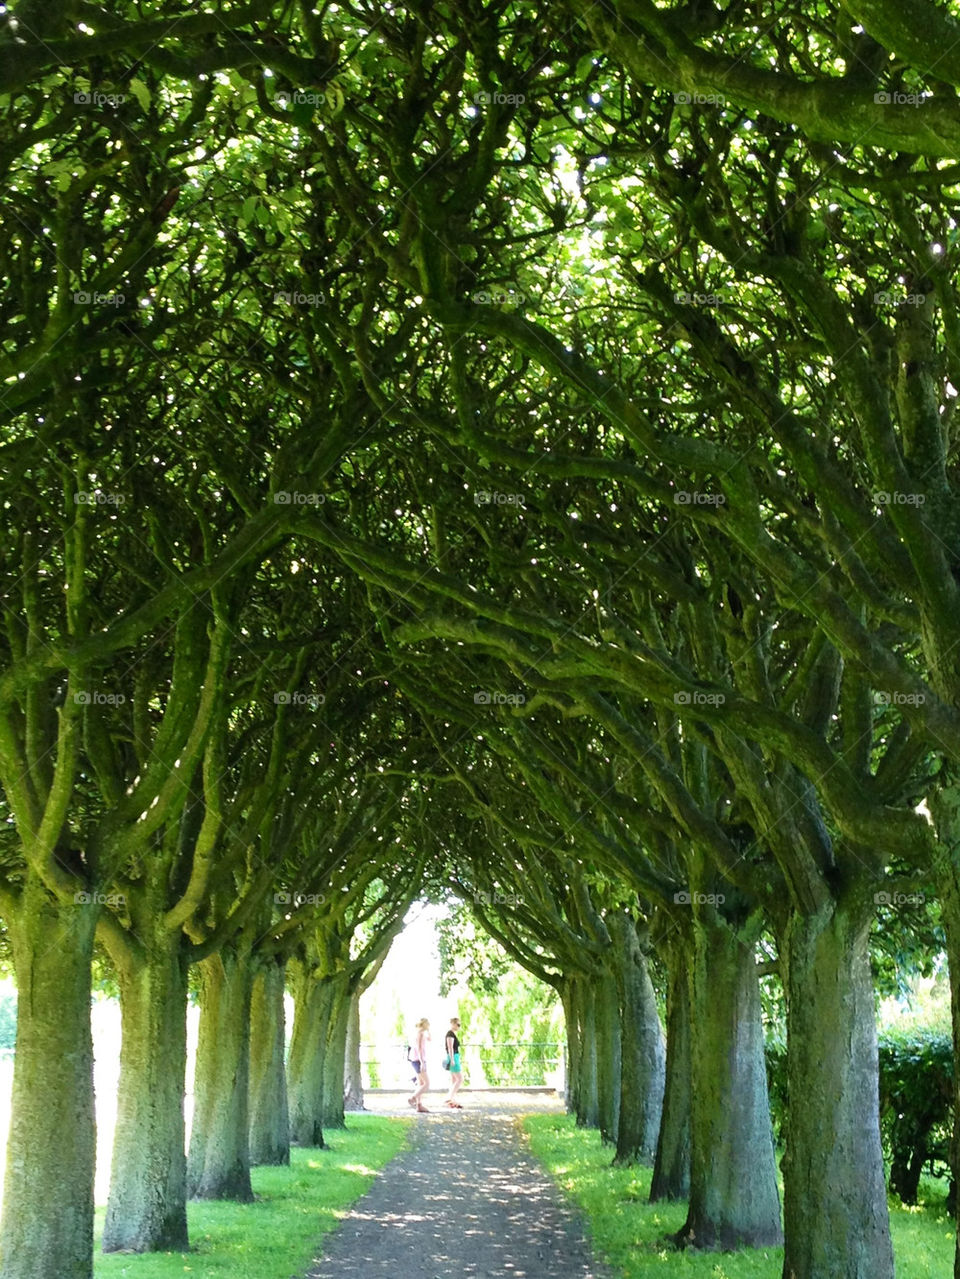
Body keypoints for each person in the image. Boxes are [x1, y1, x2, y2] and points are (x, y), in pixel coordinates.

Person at [407, 1017, 431, 1113]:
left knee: (421, 1083)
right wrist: (422, 1062)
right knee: (427, 1083)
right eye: (428, 1024)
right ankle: (412, 1098)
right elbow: (419, 1048)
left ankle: (419, 1105)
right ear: (424, 1024)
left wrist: (428, 1031)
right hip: (418, 1060)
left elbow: (430, 1039)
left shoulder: (418, 1033)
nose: (429, 1025)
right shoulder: (420, 1033)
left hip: (414, 1059)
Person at [443, 1017, 463, 1108]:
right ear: (453, 1024)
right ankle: (449, 1097)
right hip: (453, 1056)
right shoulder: (450, 1034)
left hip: (455, 1056)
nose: (459, 1027)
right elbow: (450, 1048)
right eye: (458, 1025)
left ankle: (452, 1100)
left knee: (454, 1080)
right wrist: (452, 1060)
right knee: (460, 1079)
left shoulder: (452, 1034)